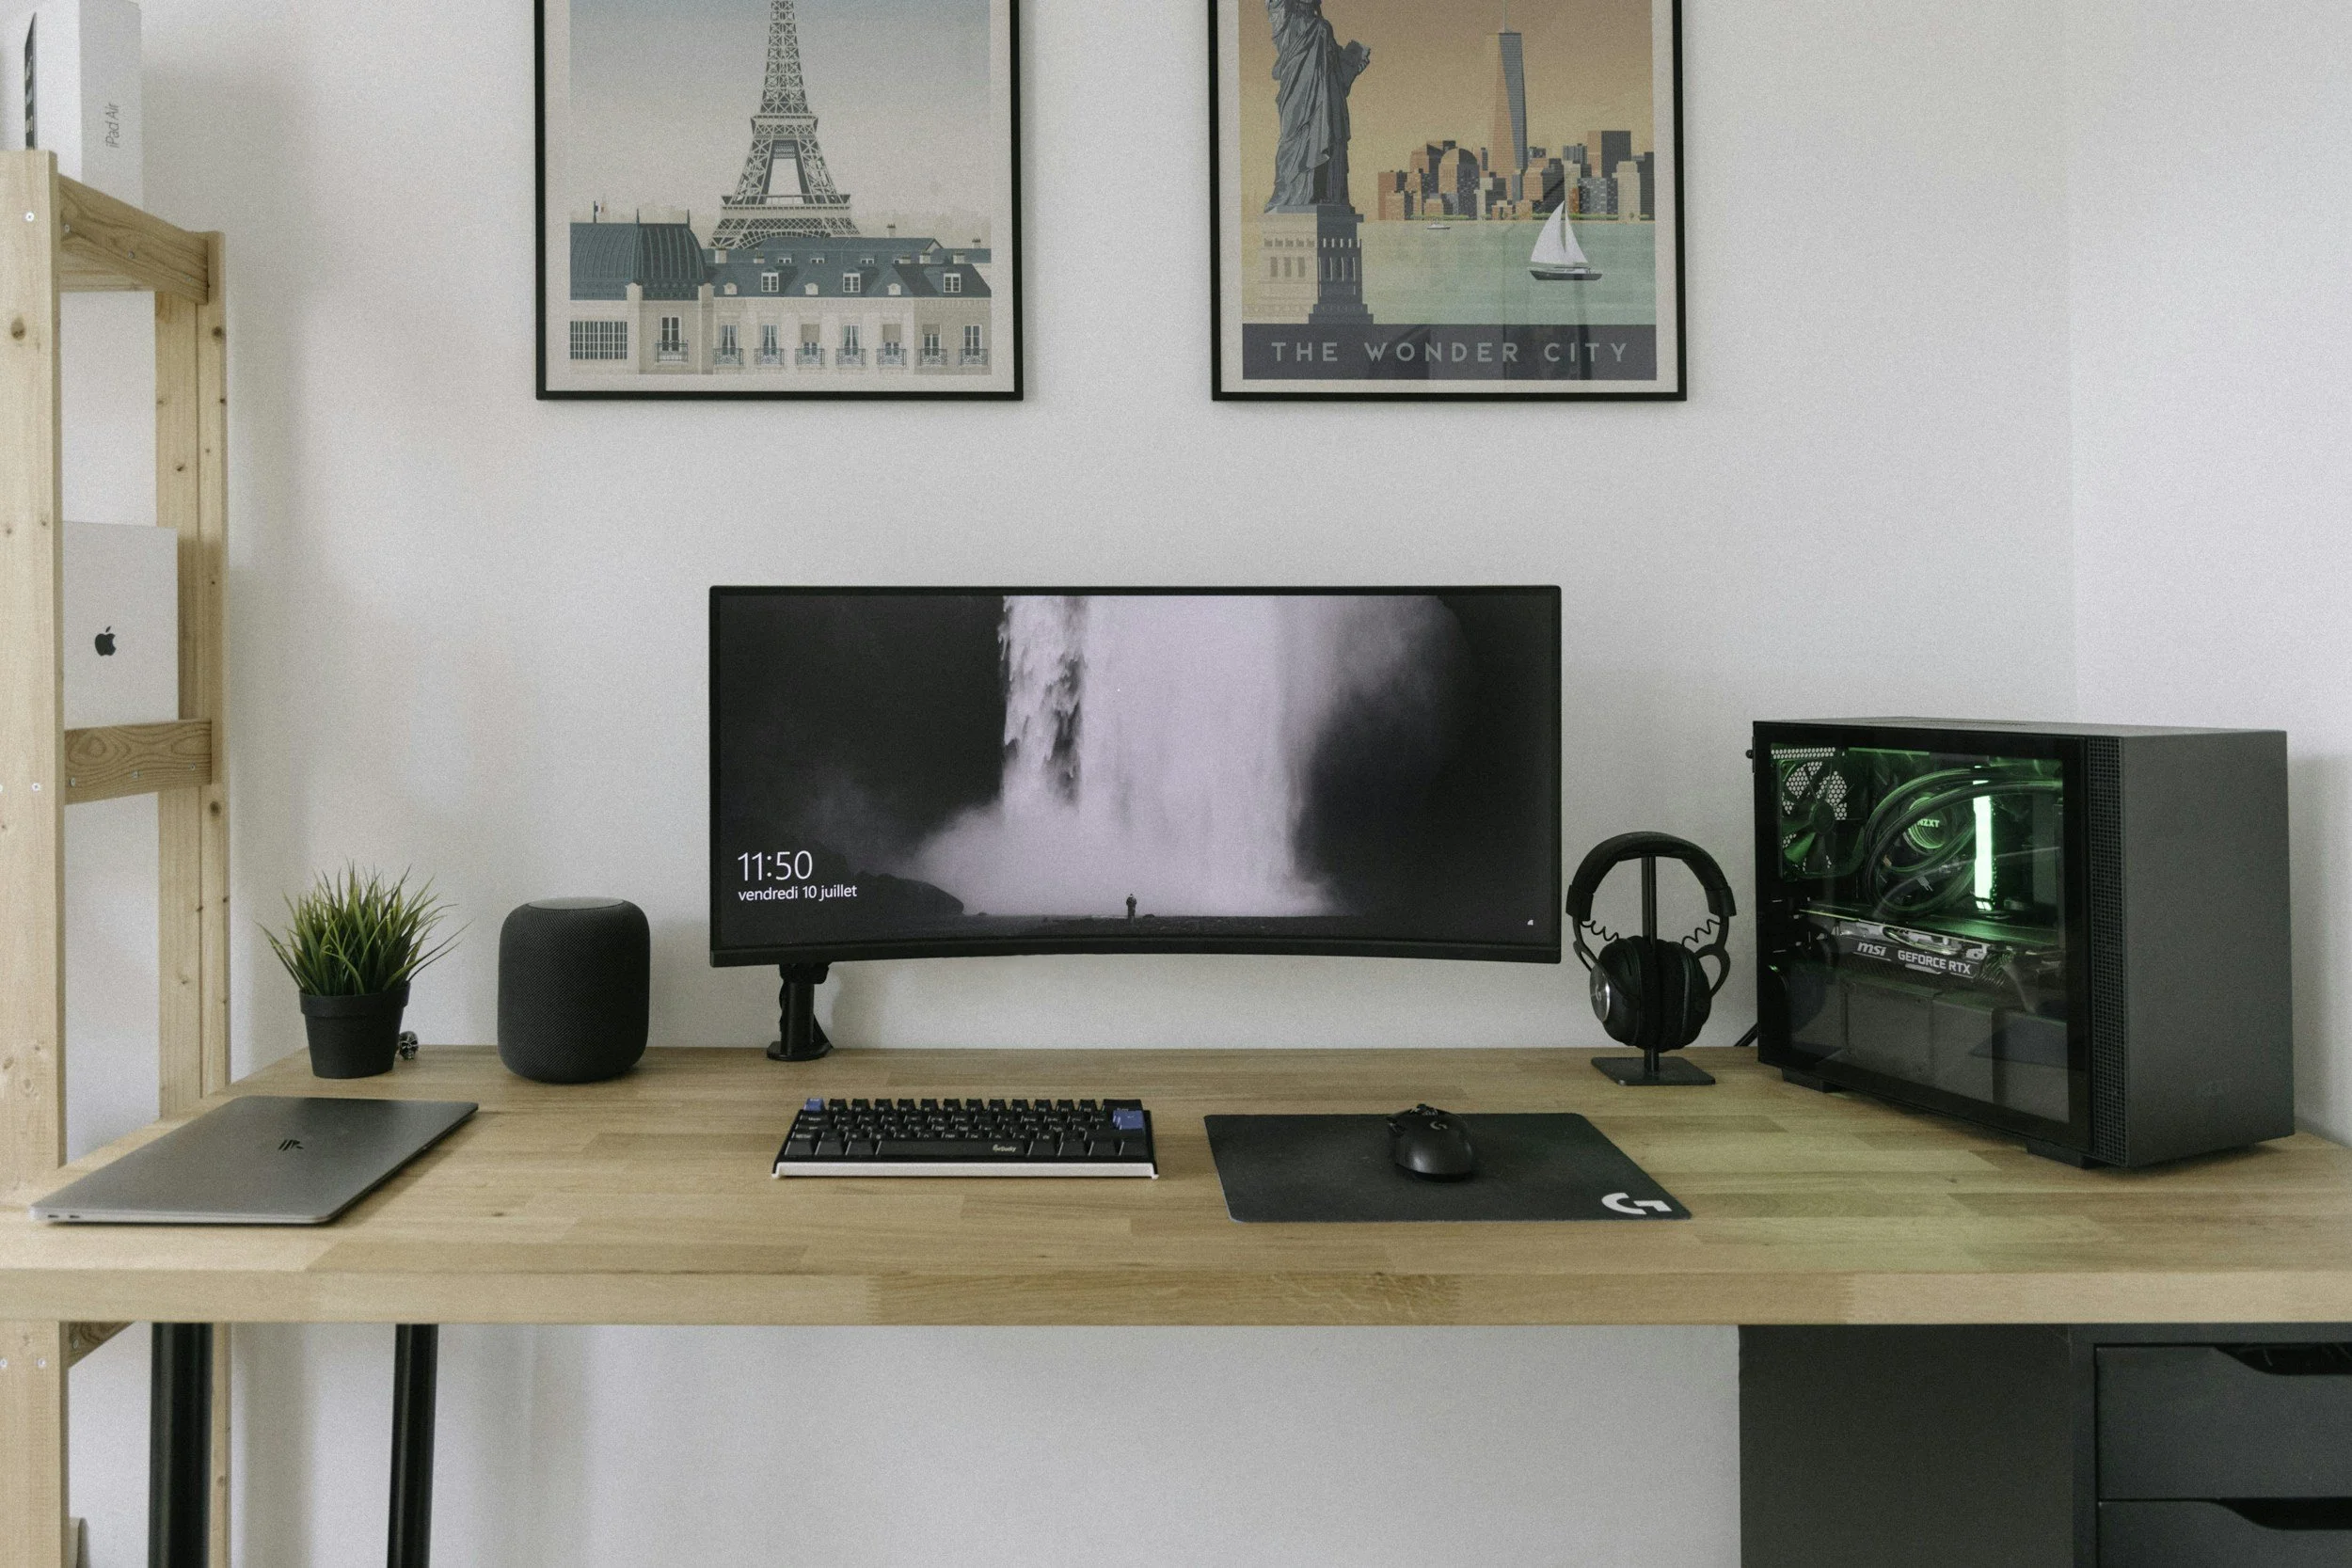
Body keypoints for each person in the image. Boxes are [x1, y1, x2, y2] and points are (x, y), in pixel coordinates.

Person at [1264, 0, 1371, 212]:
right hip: (1299, 96)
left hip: (1329, 98)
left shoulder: (1324, 27)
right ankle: (1297, 193)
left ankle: (1326, 193)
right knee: (1298, 141)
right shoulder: (1289, 21)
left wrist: (1353, 61)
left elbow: (1338, 73)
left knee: (1329, 139)